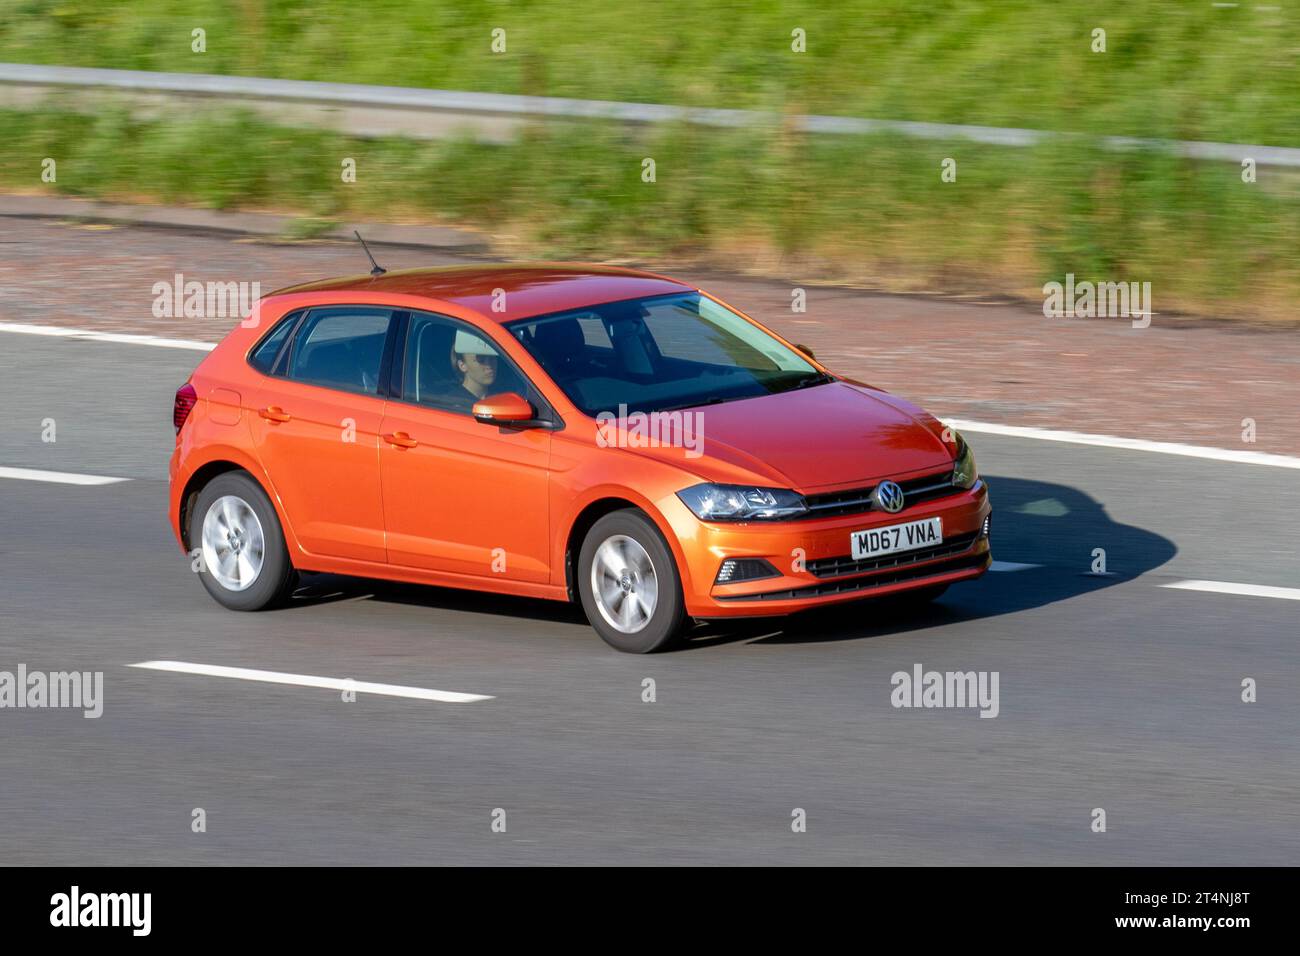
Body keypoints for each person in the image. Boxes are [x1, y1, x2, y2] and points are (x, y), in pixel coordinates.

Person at [443, 329, 500, 411]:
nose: (489, 364)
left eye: (492, 357)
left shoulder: (502, 397)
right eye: (481, 359)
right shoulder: (452, 405)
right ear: (462, 365)